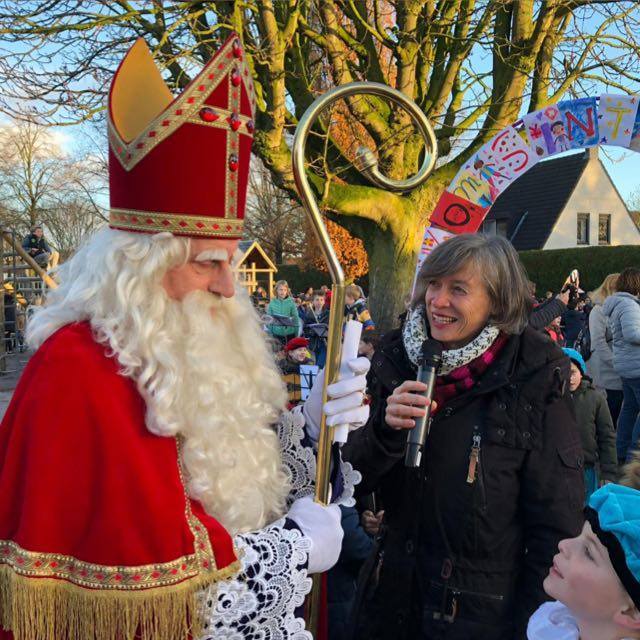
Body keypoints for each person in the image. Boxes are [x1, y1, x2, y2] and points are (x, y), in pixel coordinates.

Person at [0, 34, 371, 640]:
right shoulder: (78, 368)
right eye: (207, 263)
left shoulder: (192, 339)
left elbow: (229, 481)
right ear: (139, 267)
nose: (229, 287)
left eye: (231, 261)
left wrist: (310, 433)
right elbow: (148, 579)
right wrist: (293, 550)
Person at [344, 233, 584, 640]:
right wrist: (384, 432)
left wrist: (534, 627)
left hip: (479, 616)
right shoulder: (396, 356)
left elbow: (555, 526)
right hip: (389, 602)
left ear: (497, 300)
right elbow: (351, 482)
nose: (437, 301)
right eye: (433, 284)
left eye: (458, 289)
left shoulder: (535, 377)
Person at [527, 481, 640, 639]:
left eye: (588, 552)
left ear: (631, 612)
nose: (563, 544)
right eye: (579, 535)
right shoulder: (550, 627)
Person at [563, 347, 617, 500]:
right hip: (557, 470)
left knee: (586, 512)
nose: (569, 378)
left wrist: (608, 473)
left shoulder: (595, 399)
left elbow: (607, 438)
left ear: (581, 372)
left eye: (573, 372)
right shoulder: (551, 399)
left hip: (586, 470)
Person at [603, 267, 640, 463]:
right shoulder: (629, 306)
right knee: (632, 411)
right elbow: (632, 334)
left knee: (630, 409)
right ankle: (634, 457)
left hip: (626, 366)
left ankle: (622, 452)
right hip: (636, 366)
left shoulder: (619, 305)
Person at [587, 273, 623, 430]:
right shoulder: (598, 311)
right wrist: (616, 362)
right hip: (606, 370)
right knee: (610, 414)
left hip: (620, 369)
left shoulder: (622, 308)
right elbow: (598, 342)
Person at [267, 279, 300, 346]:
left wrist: (296, 334)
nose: (283, 292)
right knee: (278, 355)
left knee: (289, 355)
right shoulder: (272, 302)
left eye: (285, 290)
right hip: (276, 334)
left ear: (287, 291)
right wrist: (270, 333)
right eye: (281, 289)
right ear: (276, 290)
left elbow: (296, 318)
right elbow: (269, 319)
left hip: (289, 334)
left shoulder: (291, 302)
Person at [303, 290, 329, 368]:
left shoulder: (329, 314)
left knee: (320, 365)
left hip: (324, 344)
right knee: (314, 364)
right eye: (317, 300)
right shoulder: (309, 314)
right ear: (313, 302)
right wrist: (313, 331)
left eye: (321, 300)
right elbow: (305, 329)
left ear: (324, 302)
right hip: (313, 344)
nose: (319, 302)